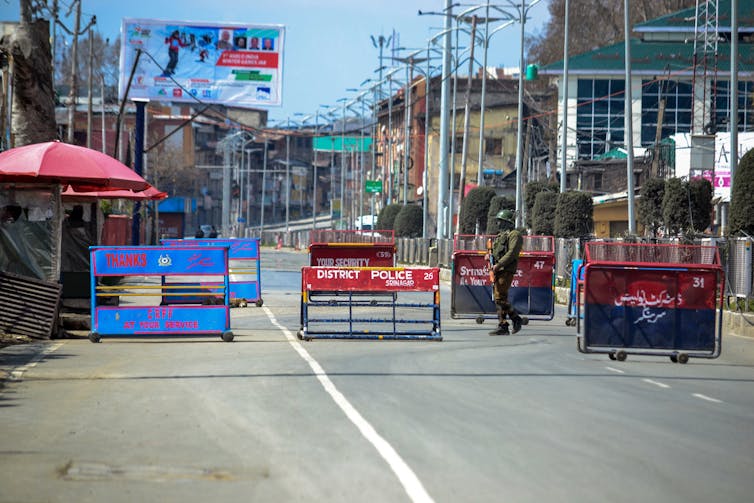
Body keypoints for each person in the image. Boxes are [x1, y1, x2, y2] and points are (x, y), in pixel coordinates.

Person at [488, 209, 528, 335]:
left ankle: (516, 319)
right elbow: (496, 251)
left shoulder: (515, 235)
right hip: (498, 269)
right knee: (500, 298)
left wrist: (498, 265)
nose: (498, 224)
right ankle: (503, 325)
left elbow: (512, 253)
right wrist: (488, 257)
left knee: (500, 297)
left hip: (506, 270)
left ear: (508, 222)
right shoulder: (502, 235)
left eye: (501, 221)